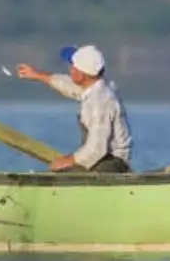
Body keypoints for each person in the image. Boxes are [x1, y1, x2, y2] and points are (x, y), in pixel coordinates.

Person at [16, 44, 133, 173]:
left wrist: (68, 161)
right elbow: (68, 85)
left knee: (63, 173)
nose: (70, 70)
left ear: (82, 74)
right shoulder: (96, 85)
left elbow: (97, 149)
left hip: (112, 162)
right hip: (102, 158)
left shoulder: (100, 102)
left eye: (73, 67)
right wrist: (38, 75)